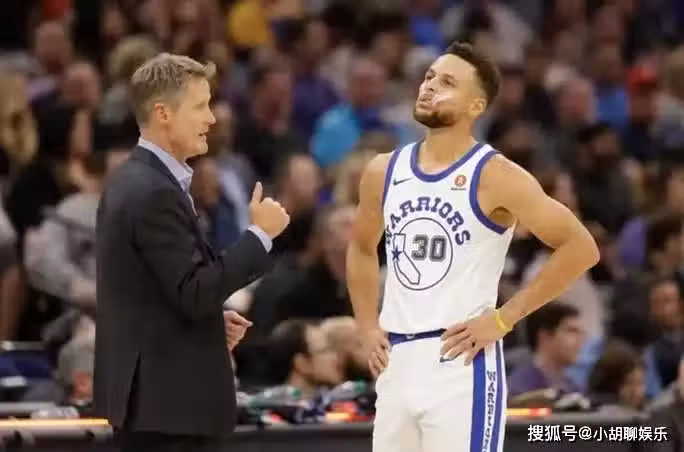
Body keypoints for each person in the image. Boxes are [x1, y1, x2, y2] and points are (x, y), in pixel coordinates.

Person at [346, 42, 599, 452]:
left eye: (447, 82)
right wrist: (365, 325)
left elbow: (581, 247)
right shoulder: (383, 170)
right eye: (429, 76)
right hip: (396, 360)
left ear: (475, 106)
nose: (430, 86)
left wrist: (504, 319)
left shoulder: (496, 174)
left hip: (461, 364)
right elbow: (360, 247)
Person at [93, 53, 290, 452]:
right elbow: (195, 290)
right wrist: (259, 236)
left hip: (159, 406)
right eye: (200, 106)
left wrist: (210, 326)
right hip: (168, 411)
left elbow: (154, 293)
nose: (211, 119)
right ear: (163, 113)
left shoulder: (137, 180)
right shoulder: (153, 191)